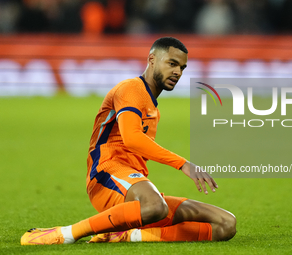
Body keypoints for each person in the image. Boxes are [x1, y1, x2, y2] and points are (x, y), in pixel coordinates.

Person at [21, 37, 236, 245]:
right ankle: (66, 233)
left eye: (182, 67)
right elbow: (132, 139)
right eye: (172, 64)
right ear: (152, 59)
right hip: (106, 175)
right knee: (154, 206)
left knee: (226, 224)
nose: (178, 72)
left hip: (134, 185)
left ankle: (127, 235)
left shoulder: (152, 108)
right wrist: (183, 164)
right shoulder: (131, 89)